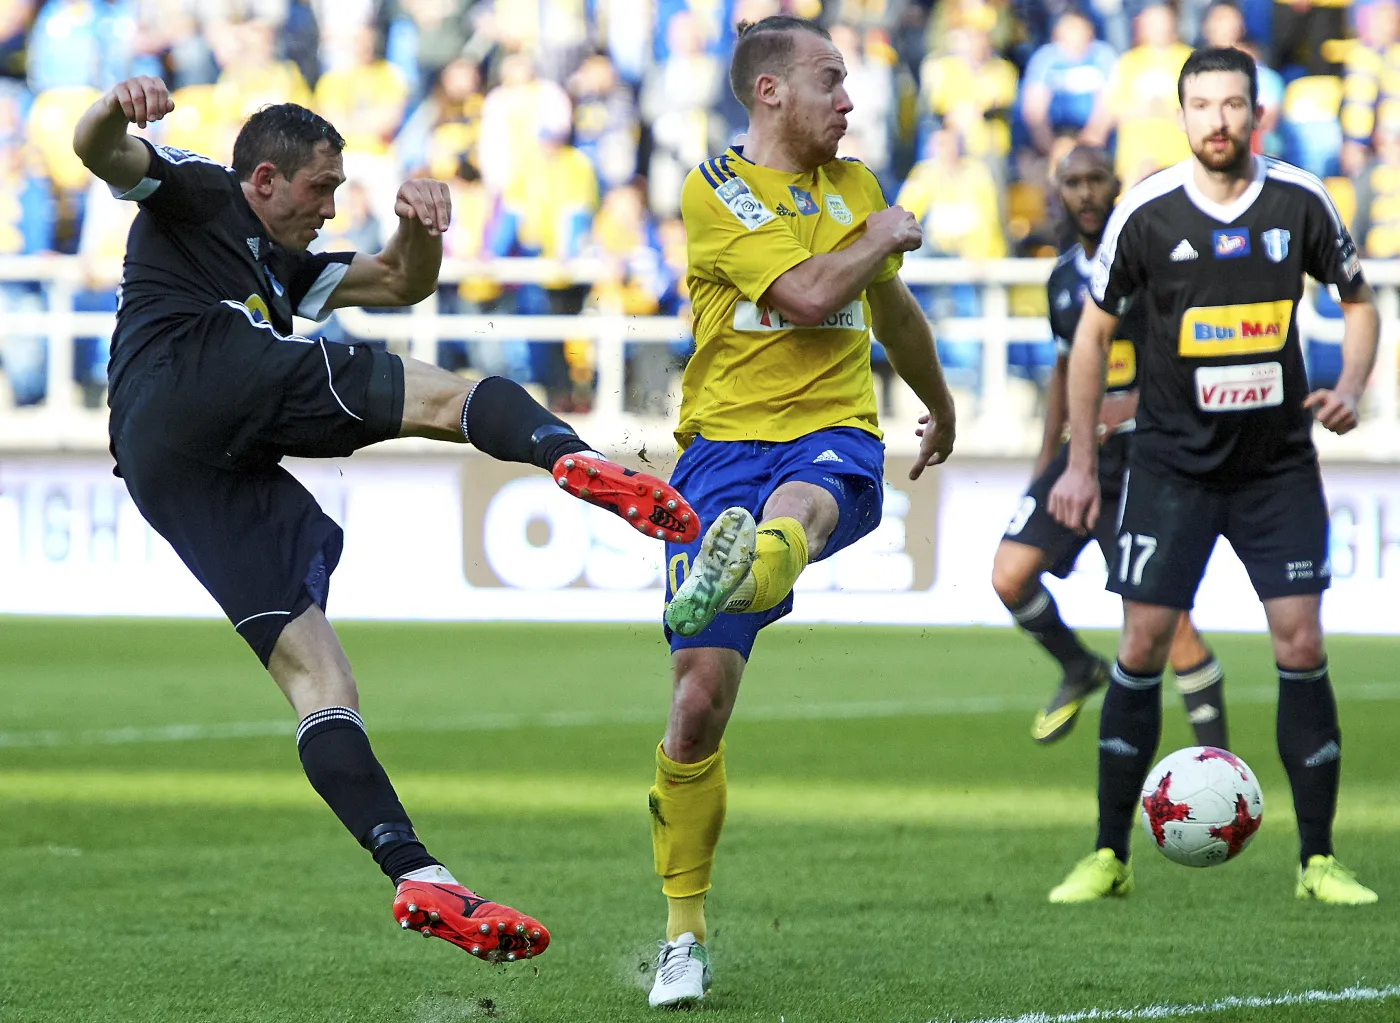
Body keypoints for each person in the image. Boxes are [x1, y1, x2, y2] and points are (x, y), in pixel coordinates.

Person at [72, 76, 700, 963]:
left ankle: (416, 871)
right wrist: (115, 103)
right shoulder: (202, 190)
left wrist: (419, 226)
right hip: (201, 367)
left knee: (319, 677)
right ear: (262, 179)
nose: (332, 207)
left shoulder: (286, 267)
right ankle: (570, 456)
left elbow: (403, 279)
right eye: (320, 188)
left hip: (164, 461)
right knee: (444, 396)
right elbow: (97, 150)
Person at [645, 16, 956, 1008]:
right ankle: (682, 935)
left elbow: (890, 313)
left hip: (830, 436)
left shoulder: (854, 188)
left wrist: (938, 401)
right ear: (768, 92)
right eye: (830, 80)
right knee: (696, 703)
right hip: (717, 451)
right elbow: (814, 294)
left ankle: (760, 554)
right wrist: (880, 237)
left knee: (802, 507)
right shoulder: (715, 188)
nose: (849, 100)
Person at [1046, 48, 1380, 906]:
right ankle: (1108, 854)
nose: (1218, 121)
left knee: (1301, 645)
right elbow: (1090, 338)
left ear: (1256, 114)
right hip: (1169, 468)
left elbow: (1360, 301)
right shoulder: (1146, 211)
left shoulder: (1300, 198)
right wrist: (1082, 463)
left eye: (1234, 104)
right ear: (1183, 115)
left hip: (1276, 469)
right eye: (1203, 106)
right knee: (1140, 647)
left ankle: (1318, 861)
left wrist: (1347, 388)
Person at [991, 144, 1229, 749]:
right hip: (1081, 460)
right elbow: (1065, 368)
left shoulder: (1149, 266)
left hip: (1145, 458)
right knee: (1010, 576)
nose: (1086, 192)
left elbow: (1188, 351)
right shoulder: (1063, 276)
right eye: (1073, 182)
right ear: (1059, 192)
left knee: (1163, 619)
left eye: (1097, 180)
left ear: (1115, 186)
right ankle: (1078, 666)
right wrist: (1045, 460)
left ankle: (1219, 762)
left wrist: (1131, 404)